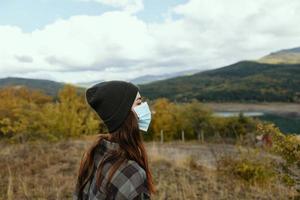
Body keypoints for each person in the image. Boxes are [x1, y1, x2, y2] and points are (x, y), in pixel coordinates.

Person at [73, 80, 156, 200]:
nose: (144, 107)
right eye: (138, 103)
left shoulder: (95, 153)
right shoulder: (133, 174)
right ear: (123, 114)